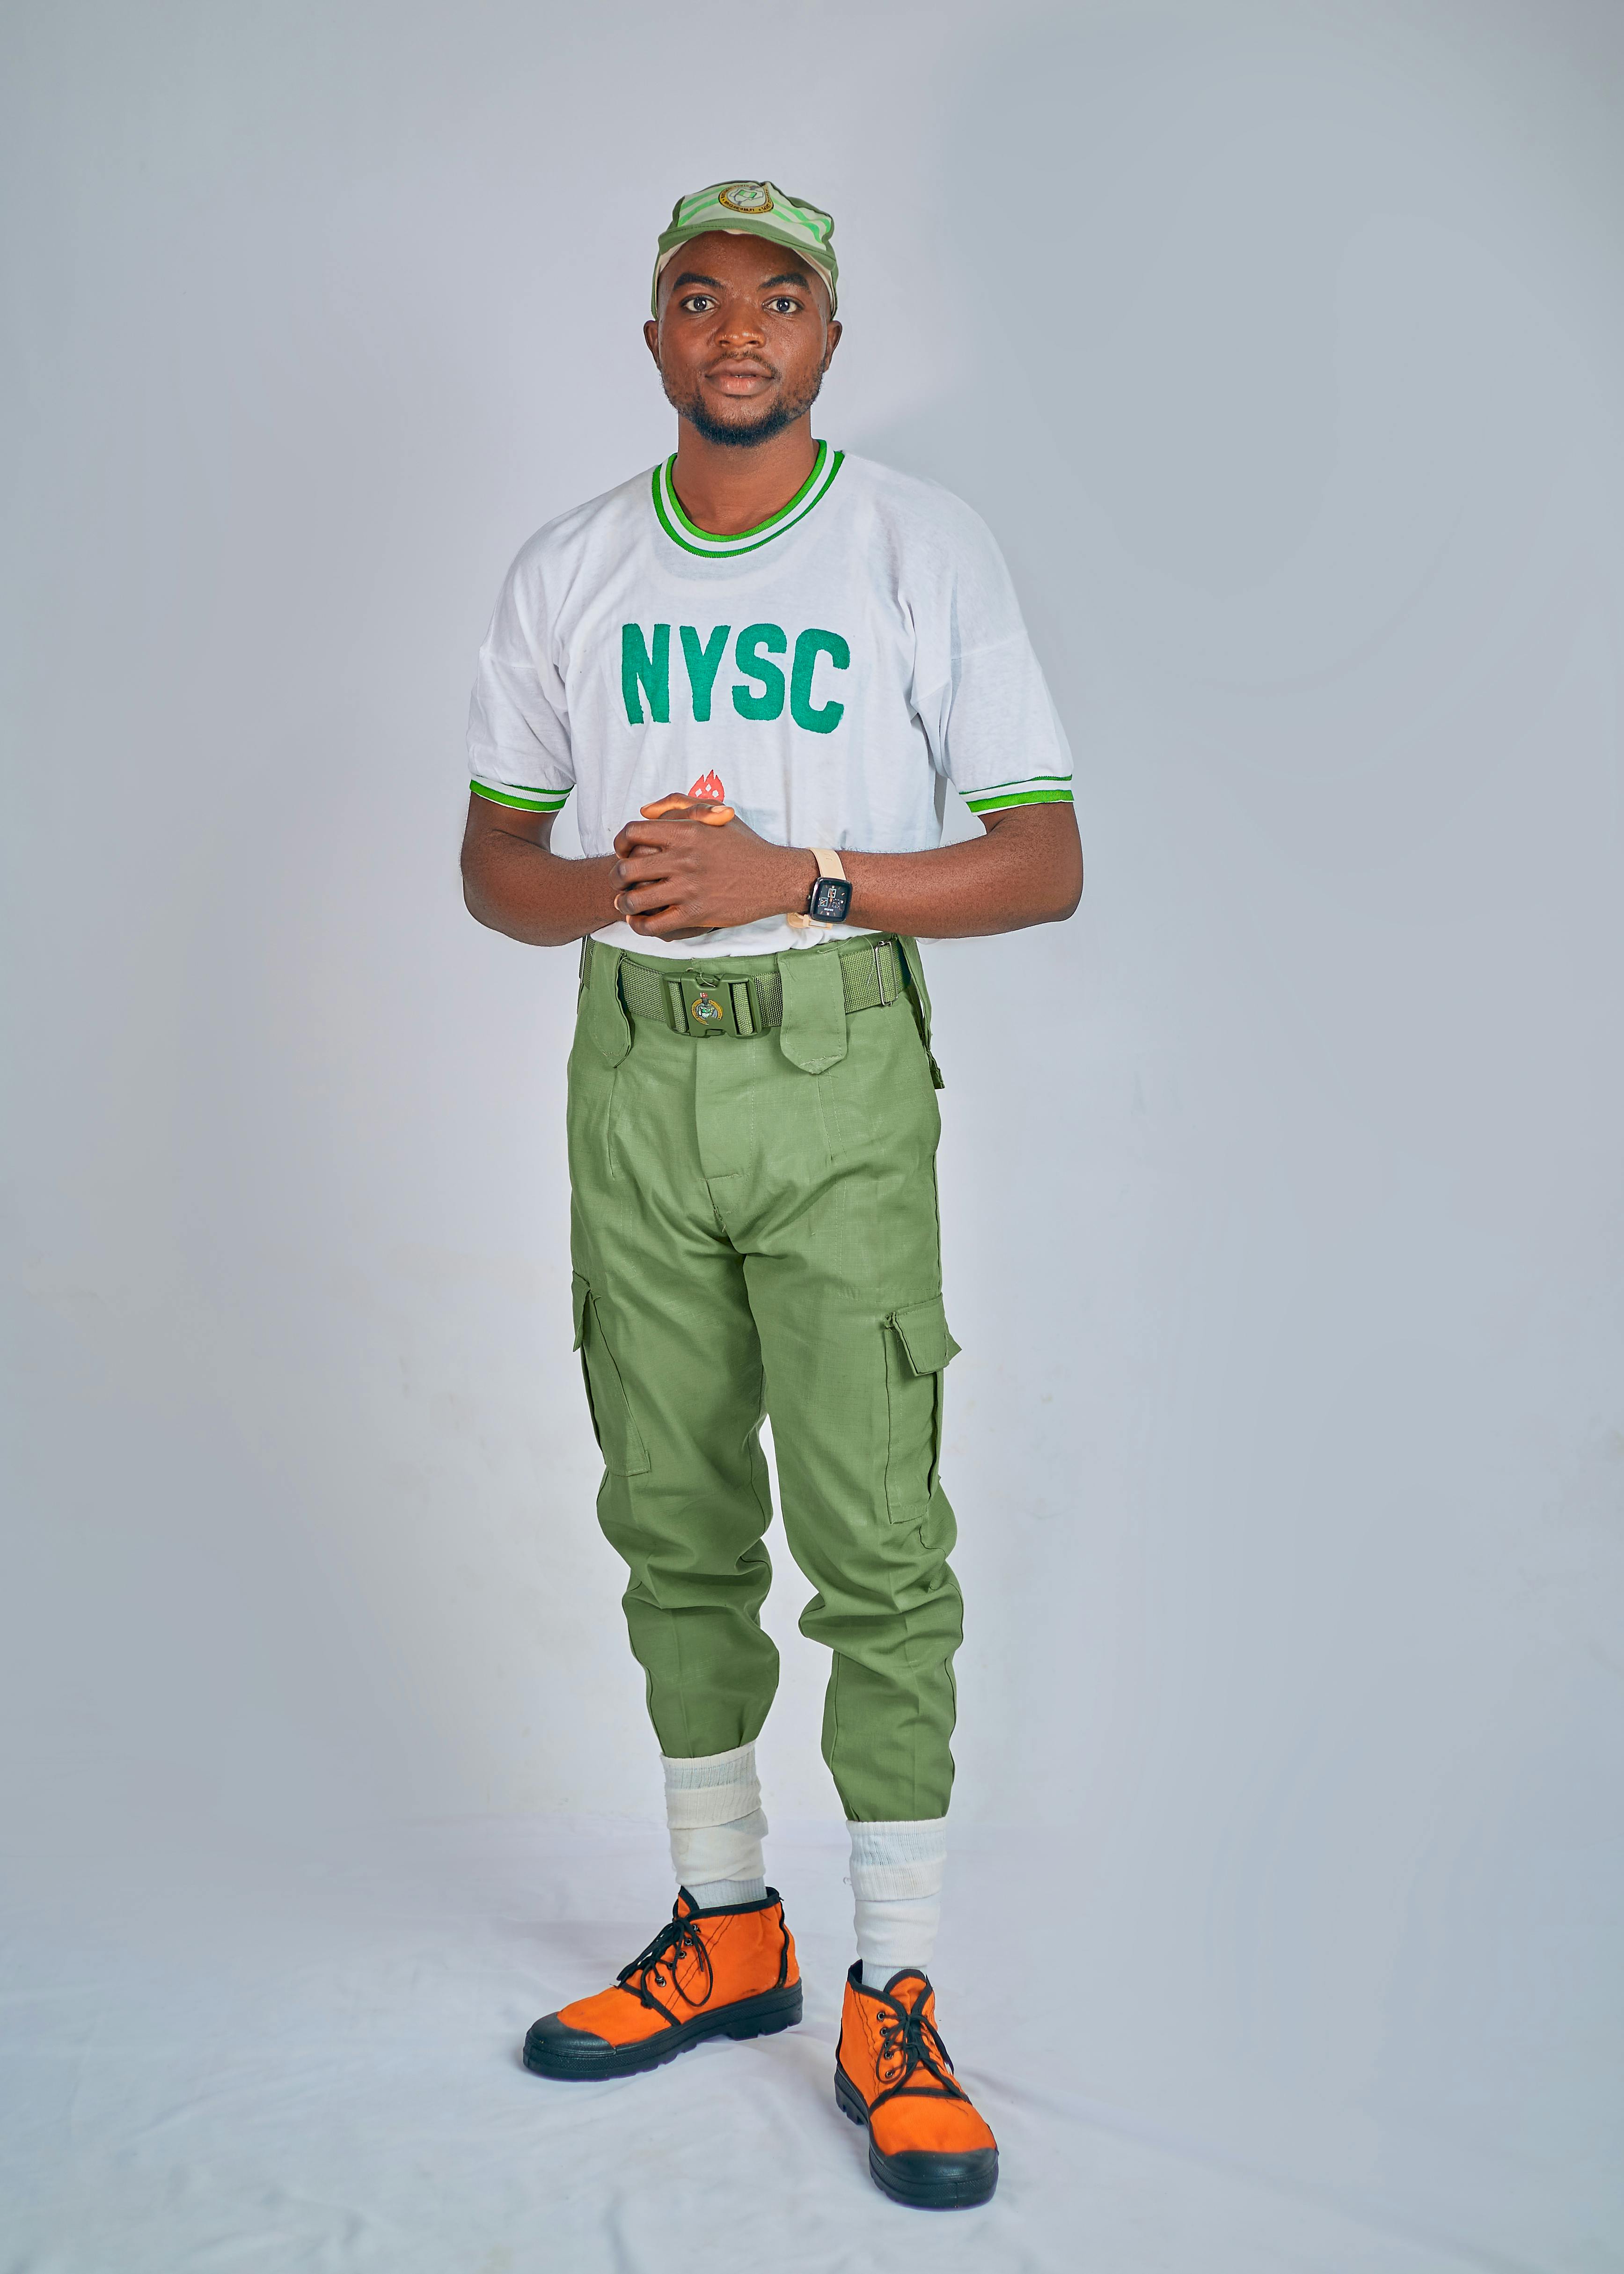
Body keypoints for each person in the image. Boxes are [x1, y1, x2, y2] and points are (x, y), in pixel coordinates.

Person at [461, 178, 1081, 2211]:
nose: (739, 329)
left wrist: (792, 879)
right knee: (669, 1514)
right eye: (697, 298)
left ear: (829, 340)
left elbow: (1040, 856)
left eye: (780, 298)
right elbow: (494, 869)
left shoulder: (920, 544)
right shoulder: (569, 568)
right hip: (633, 1064)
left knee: (876, 1538)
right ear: (651, 341)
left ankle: (894, 1988)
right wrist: (624, 882)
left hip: (830, 1061)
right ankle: (728, 1925)